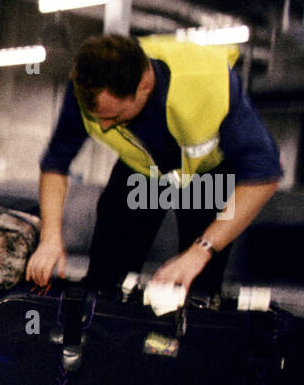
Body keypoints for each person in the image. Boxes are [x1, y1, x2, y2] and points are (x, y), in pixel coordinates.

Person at [26, 33, 283, 297]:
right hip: (141, 172)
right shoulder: (88, 87)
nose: (104, 127)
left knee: (196, 288)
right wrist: (49, 238)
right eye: (98, 118)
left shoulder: (211, 85)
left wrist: (201, 250)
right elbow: (55, 163)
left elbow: (264, 176)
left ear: (144, 85)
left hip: (206, 176)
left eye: (114, 116)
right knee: (105, 280)